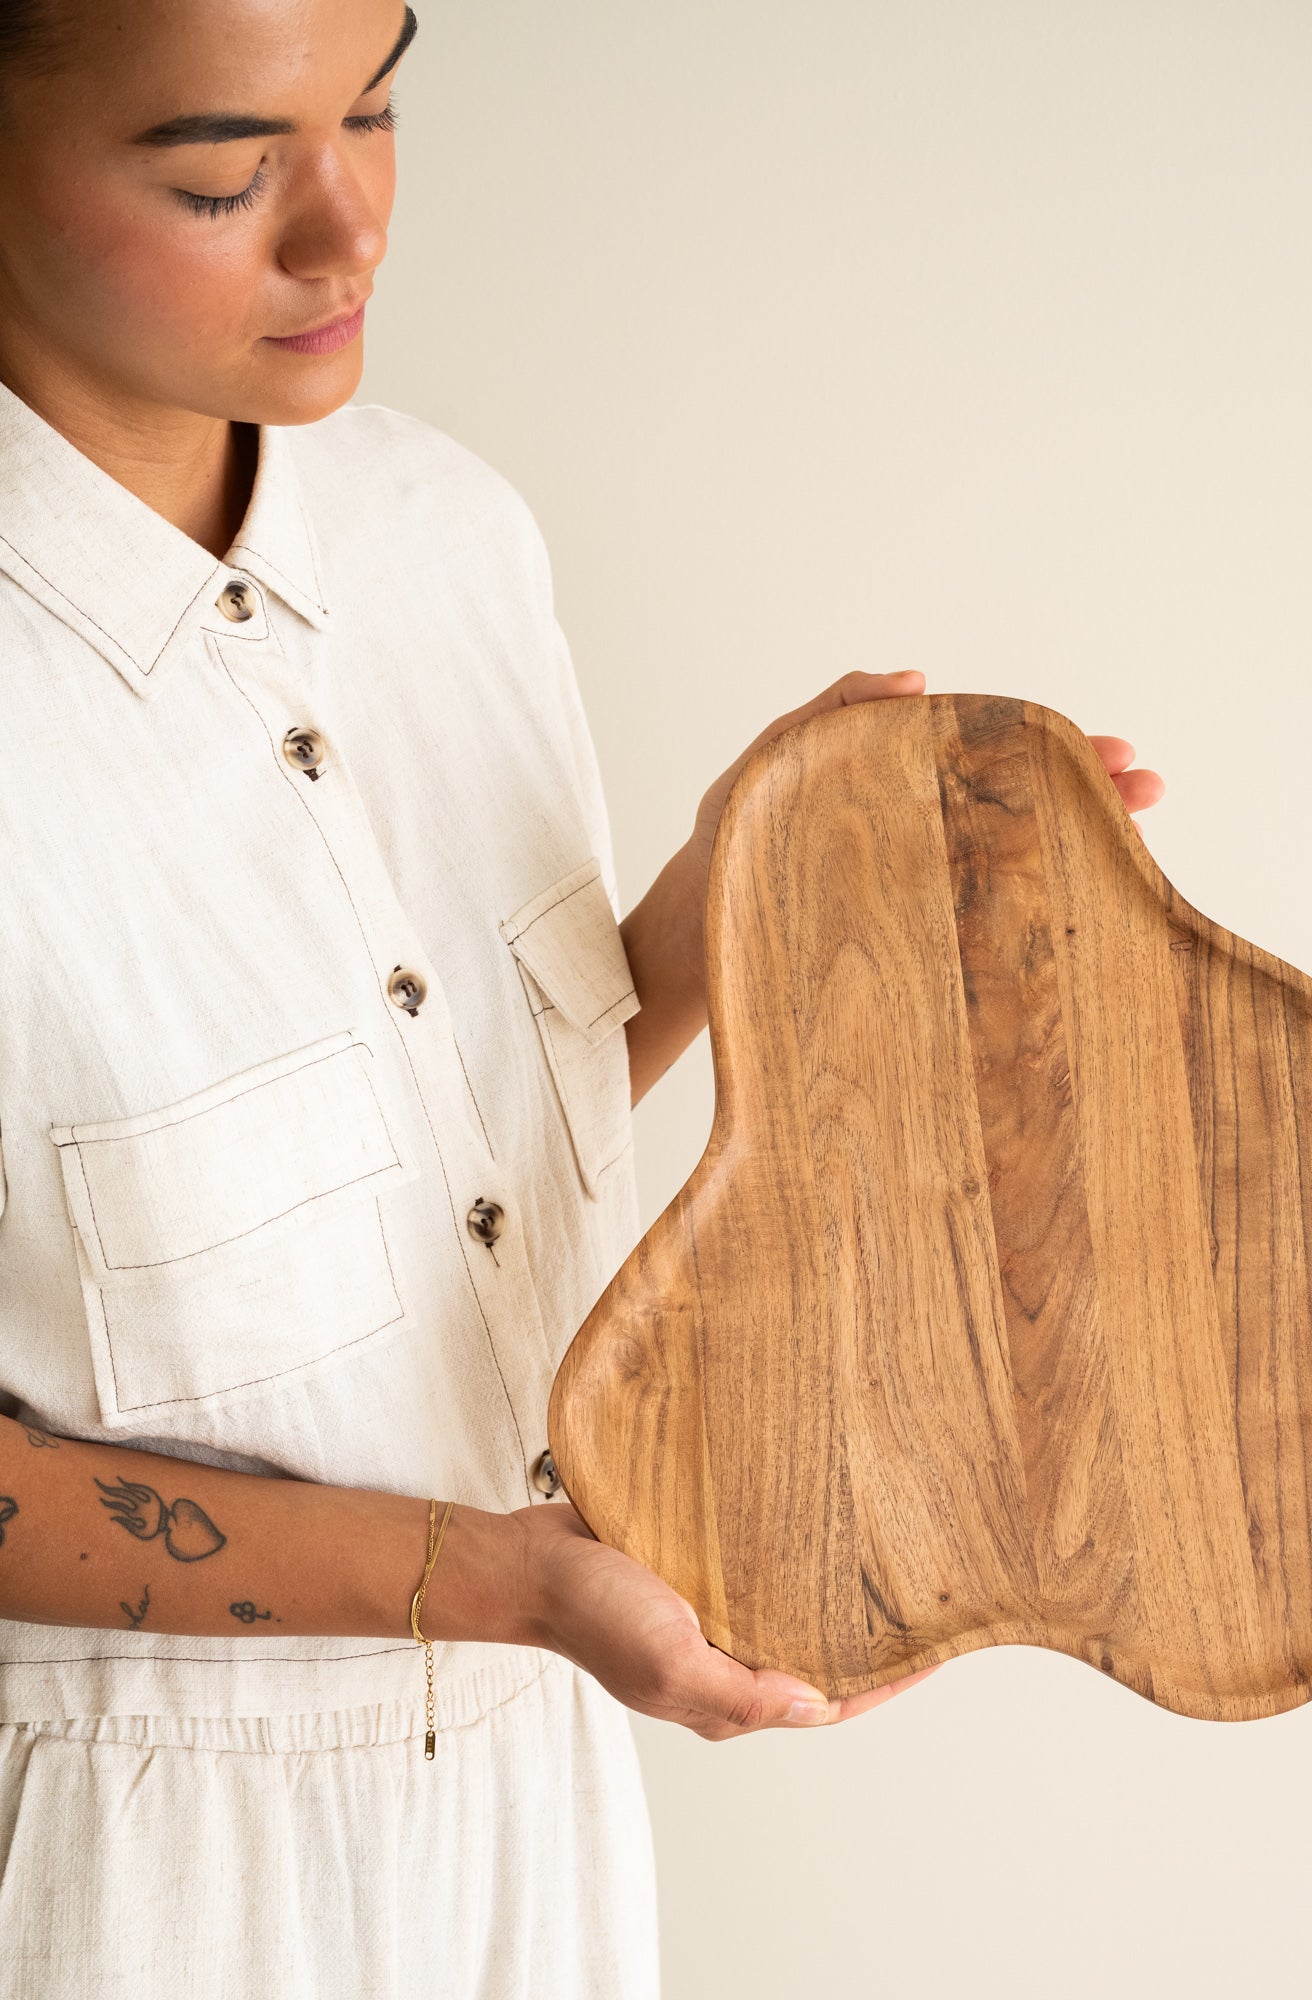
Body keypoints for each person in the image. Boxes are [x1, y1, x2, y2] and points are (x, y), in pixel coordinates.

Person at [0, 2, 1166, 1994]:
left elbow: (379, 1168)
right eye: (224, 172)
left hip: (528, 1803)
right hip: (124, 1862)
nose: (348, 228)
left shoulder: (446, 536)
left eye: (377, 109)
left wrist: (724, 916)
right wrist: (501, 1581)